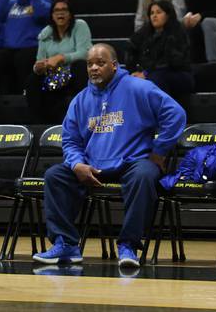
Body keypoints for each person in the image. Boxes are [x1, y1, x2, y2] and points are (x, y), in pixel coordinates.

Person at [33, 44, 186, 268]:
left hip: (132, 163)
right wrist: (77, 164)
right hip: (92, 168)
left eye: (100, 63)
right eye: (90, 64)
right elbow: (70, 140)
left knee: (144, 175)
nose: (94, 68)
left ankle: (129, 245)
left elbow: (176, 114)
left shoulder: (139, 88)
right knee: (55, 175)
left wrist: (159, 151)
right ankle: (66, 243)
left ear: (114, 66)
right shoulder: (80, 100)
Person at [25, 0, 92, 124]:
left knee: (81, 66)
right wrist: (39, 67)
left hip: (74, 74)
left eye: (64, 10)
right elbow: (39, 61)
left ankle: (84, 116)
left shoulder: (80, 26)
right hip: (53, 77)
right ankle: (37, 124)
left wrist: (61, 58)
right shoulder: (45, 34)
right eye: (56, 10)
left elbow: (85, 53)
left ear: (70, 14)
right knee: (32, 79)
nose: (60, 13)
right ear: (52, 15)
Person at [126, 0, 194, 104]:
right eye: (152, 13)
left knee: (156, 78)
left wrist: (146, 73)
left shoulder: (177, 32)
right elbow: (131, 48)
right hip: (153, 74)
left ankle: (163, 114)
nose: (154, 16)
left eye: (158, 12)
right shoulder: (145, 32)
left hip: (179, 75)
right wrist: (133, 71)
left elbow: (171, 62)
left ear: (168, 15)